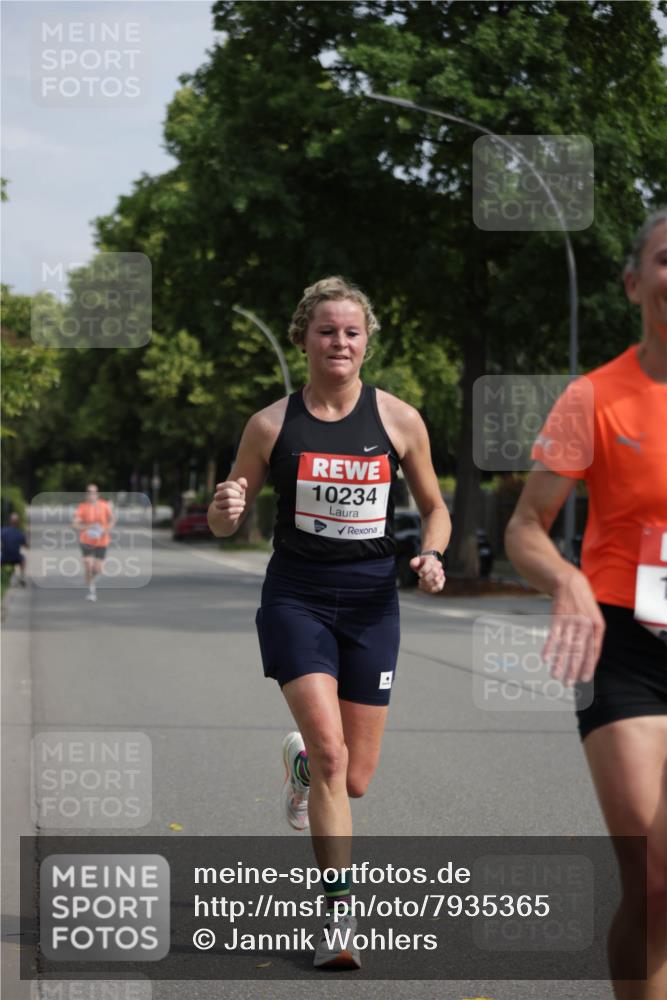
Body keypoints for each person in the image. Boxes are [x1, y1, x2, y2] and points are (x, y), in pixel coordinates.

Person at [208, 276, 450, 969]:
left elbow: (435, 507)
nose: (338, 341)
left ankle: (300, 767)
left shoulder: (400, 420)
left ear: (367, 341)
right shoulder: (270, 424)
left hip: (373, 603)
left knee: (355, 777)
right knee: (337, 757)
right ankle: (338, 921)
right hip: (297, 598)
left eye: (350, 331)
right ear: (303, 339)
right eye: (326, 331)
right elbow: (230, 517)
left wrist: (430, 554)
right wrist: (226, 507)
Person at [505, 208, 667, 1000]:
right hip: (624, 645)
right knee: (654, 880)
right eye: (666, 260)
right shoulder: (594, 396)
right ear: (634, 282)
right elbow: (525, 529)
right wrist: (565, 580)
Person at [72, 484, 115, 602]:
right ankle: (91, 591)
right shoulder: (82, 507)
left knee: (98, 568)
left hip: (102, 540)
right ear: (86, 494)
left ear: (97, 494)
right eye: (89, 492)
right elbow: (75, 523)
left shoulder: (104, 505)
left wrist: (107, 529)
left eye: (94, 492)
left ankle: (90, 578)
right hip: (86, 540)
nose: (91, 494)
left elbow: (112, 519)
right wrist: (83, 526)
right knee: (88, 564)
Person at [1, 512, 28, 586]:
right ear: (18, 522)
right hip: (16, 557)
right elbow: (26, 546)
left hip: (4, 557)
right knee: (23, 558)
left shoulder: (3, 531)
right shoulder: (20, 533)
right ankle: (22, 577)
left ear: (10, 521)